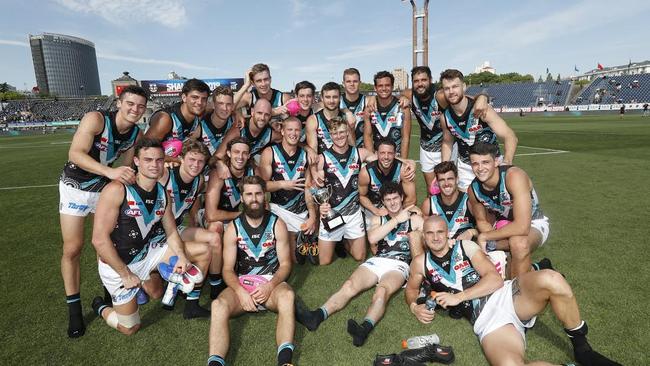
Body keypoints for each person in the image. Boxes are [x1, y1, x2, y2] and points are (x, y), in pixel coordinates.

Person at [405, 216, 620, 366]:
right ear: (423, 236)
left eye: (440, 232)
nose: (435, 237)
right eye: (430, 233)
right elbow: (412, 291)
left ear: (447, 232)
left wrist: (458, 297)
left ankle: (583, 349)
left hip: (507, 295)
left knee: (552, 280)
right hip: (487, 321)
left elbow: (495, 280)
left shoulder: (465, 248)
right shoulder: (420, 263)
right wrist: (415, 306)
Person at [90, 138, 211, 335]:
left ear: (165, 162)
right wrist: (125, 274)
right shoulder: (117, 190)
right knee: (129, 328)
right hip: (118, 267)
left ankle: (176, 288)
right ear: (136, 161)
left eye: (158, 160)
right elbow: (99, 240)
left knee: (204, 250)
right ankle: (100, 307)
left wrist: (180, 255)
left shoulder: (163, 194)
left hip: (147, 255)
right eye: (148, 160)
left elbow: (171, 231)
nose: (154, 165)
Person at [58, 85, 147, 338]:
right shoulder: (96, 119)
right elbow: (75, 153)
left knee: (107, 244)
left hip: (102, 188)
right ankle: (74, 310)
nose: (135, 109)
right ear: (119, 103)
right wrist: (109, 171)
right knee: (72, 248)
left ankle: (110, 295)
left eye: (140, 106)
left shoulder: (135, 133)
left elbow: (129, 166)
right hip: (75, 186)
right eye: (130, 104)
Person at [296, 182, 423, 347]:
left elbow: (429, 238)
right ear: (383, 202)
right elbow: (372, 238)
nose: (392, 203)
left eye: (395, 199)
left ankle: (364, 329)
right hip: (378, 261)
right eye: (388, 199)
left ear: (402, 198)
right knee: (349, 285)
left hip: (399, 265)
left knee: (382, 291)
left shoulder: (415, 219)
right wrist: (397, 219)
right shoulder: (379, 218)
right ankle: (317, 316)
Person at [208, 176, 296, 366]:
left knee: (288, 296)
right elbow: (227, 269)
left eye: (258, 194)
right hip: (243, 285)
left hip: (271, 285)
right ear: (242, 198)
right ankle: (215, 363)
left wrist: (270, 286)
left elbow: (286, 264)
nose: (254, 199)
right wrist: (240, 291)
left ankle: (285, 362)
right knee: (218, 306)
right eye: (249, 194)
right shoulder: (233, 228)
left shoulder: (277, 224)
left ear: (264, 196)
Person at [467, 142, 550, 278]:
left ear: (496, 161)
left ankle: (516, 296)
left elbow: (522, 227)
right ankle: (538, 268)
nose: (480, 168)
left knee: (518, 244)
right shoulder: (473, 189)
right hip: (503, 229)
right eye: (475, 163)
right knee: (479, 251)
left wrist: (487, 237)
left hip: (533, 224)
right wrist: (491, 238)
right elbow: (481, 221)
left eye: (485, 162)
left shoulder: (513, 176)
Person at [158, 139, 221, 310]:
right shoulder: (165, 174)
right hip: (155, 233)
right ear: (182, 158)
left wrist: (195, 221)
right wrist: (166, 160)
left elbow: (191, 200)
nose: (196, 164)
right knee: (154, 292)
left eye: (200, 161)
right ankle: (175, 280)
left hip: (176, 228)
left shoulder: (199, 180)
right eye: (192, 160)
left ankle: (213, 287)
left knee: (214, 237)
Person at [439, 69, 518, 189]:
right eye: (447, 88)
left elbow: (510, 136)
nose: (451, 91)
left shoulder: (482, 109)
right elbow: (447, 142)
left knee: (497, 205)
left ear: (464, 87)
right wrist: (444, 167)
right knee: (469, 205)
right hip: (466, 167)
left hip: (491, 164)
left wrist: (507, 163)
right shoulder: (445, 117)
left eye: (455, 86)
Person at [313, 117, 376, 265]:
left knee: (360, 256)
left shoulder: (360, 153)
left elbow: (384, 160)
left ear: (348, 132)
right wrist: (320, 206)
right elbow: (312, 188)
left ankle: (342, 240)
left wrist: (406, 162)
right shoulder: (322, 158)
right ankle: (335, 239)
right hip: (332, 214)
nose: (339, 136)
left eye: (342, 132)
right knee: (324, 261)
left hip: (353, 214)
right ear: (330, 134)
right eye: (335, 133)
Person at [258, 117, 318, 262]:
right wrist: (282, 184)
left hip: (301, 210)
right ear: (282, 131)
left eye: (297, 130)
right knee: (295, 260)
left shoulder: (305, 155)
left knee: (317, 258)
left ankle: (306, 235)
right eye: (290, 129)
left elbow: (308, 188)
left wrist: (312, 216)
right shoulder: (270, 152)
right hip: (280, 210)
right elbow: (261, 186)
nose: (293, 133)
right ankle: (297, 237)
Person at [203, 137, 256, 296]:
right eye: (236, 152)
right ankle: (215, 283)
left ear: (249, 155)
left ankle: (251, 268)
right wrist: (242, 215)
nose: (240, 157)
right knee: (215, 228)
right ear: (228, 153)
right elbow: (211, 214)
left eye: (244, 153)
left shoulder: (253, 171)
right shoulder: (218, 173)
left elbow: (261, 201)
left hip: (235, 218)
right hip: (217, 216)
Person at [359, 138, 417, 225]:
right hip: (375, 207)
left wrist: (397, 211)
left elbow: (412, 198)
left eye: (390, 153)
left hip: (397, 205)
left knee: (417, 213)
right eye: (382, 153)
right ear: (376, 154)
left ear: (395, 154)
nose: (386, 157)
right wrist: (377, 211)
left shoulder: (403, 170)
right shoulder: (366, 173)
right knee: (374, 227)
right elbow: (361, 196)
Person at [421, 161, 476, 240]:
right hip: (439, 249)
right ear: (437, 182)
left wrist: (471, 232)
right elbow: (424, 234)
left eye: (450, 179)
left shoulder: (469, 201)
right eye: (442, 180)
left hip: (465, 249)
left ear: (457, 180)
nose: (446, 183)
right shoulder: (429, 204)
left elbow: (483, 229)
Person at [146, 78, 210, 144]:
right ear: (184, 97)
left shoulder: (200, 113)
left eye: (204, 99)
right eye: (194, 97)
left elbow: (213, 109)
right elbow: (145, 149)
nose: (200, 102)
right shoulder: (165, 119)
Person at [216, 98, 282, 164]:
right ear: (252, 112)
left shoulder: (270, 134)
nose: (262, 118)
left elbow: (286, 139)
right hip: (226, 166)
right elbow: (217, 156)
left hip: (243, 168)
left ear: (270, 115)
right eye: (259, 113)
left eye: (266, 114)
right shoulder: (239, 129)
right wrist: (222, 167)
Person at [364, 71, 411, 158]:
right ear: (375, 88)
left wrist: (403, 161)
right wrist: (371, 159)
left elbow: (406, 137)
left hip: (396, 157)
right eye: (380, 86)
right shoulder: (369, 108)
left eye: (387, 85)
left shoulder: (403, 107)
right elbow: (368, 136)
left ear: (392, 86)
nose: (384, 88)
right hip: (377, 157)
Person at [305, 82, 356, 154]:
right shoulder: (313, 120)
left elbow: (352, 148)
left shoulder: (346, 117)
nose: (331, 101)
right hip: (323, 163)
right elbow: (313, 153)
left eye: (335, 97)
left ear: (340, 98)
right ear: (322, 98)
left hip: (344, 162)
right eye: (328, 97)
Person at [193, 86, 236, 156]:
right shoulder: (199, 125)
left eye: (228, 104)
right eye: (220, 104)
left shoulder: (235, 123)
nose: (225, 108)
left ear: (233, 106)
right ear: (213, 104)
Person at [339, 68, 367, 148]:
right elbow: (318, 105)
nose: (352, 84)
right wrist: (346, 111)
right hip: (342, 150)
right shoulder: (336, 101)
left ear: (360, 83)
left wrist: (404, 97)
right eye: (348, 81)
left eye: (355, 81)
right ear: (343, 83)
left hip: (363, 149)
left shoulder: (368, 101)